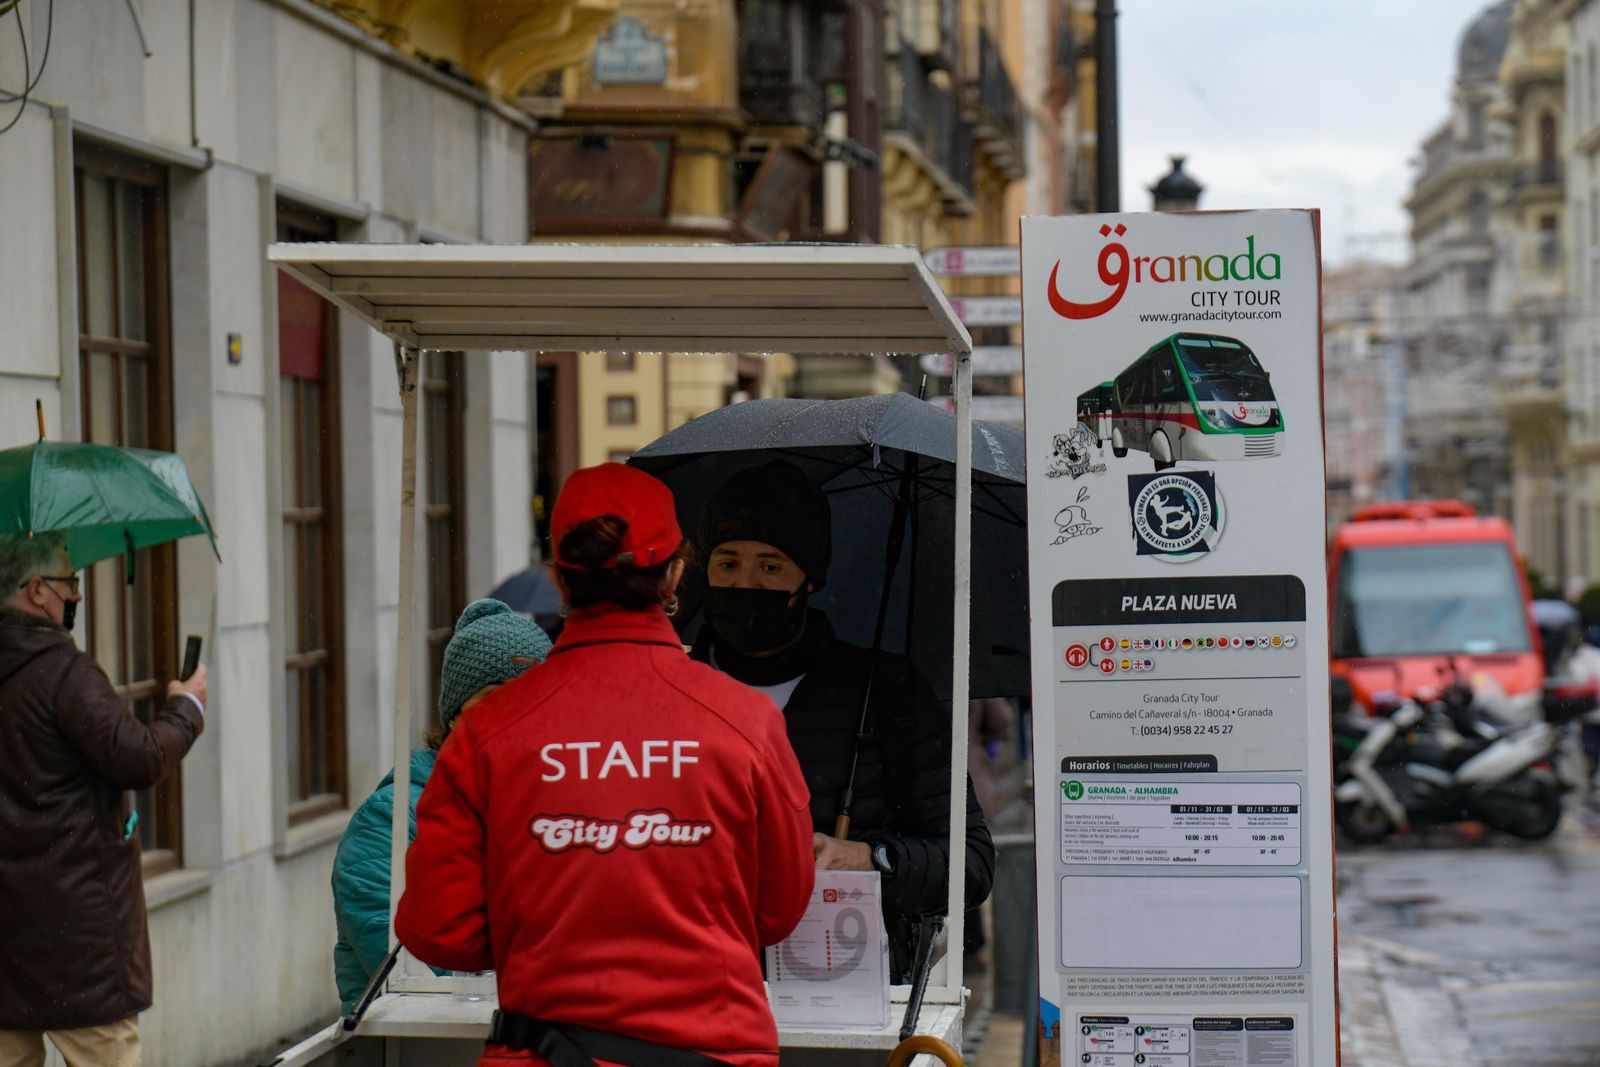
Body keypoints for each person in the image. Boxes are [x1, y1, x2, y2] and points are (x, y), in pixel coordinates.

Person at [396, 463, 814, 1067]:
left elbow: (440, 930)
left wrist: (543, 920)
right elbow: (778, 911)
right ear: (675, 575)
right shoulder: (746, 722)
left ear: (560, 582)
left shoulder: (487, 732)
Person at [690, 459, 997, 982]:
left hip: (846, 994)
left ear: (809, 578)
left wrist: (868, 858)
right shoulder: (672, 689)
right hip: (694, 989)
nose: (745, 584)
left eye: (770, 566)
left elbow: (970, 865)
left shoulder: (887, 691)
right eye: (727, 563)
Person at [0, 533, 207, 1067]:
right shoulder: (66, 673)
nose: (79, 598)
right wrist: (185, 709)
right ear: (38, 591)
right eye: (71, 584)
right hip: (80, 951)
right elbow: (138, 757)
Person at [331, 598, 551, 1013]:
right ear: (454, 715)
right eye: (493, 696)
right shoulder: (390, 820)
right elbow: (414, 968)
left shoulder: (564, 805)